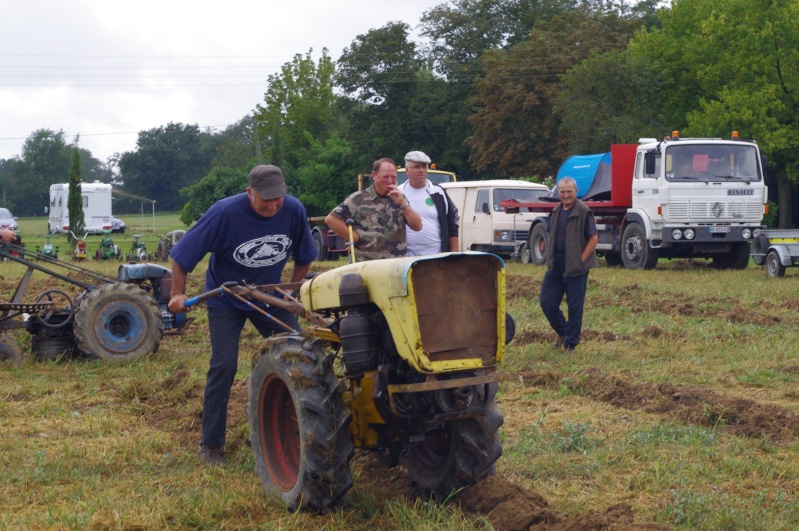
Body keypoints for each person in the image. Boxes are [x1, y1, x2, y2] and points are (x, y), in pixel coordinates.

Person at [167, 164, 317, 465]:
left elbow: (305, 256)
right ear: (250, 193)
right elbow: (182, 257)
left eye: (278, 199)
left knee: (299, 354)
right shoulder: (224, 213)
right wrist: (177, 295)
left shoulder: (293, 210)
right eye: (266, 200)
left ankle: (289, 432)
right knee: (224, 365)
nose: (274, 205)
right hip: (227, 297)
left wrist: (291, 290)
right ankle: (211, 445)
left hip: (269, 295)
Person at [539, 177, 598, 351]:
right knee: (546, 302)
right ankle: (564, 331)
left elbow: (593, 239)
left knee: (574, 306)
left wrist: (580, 260)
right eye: (562, 192)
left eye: (569, 191)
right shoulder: (557, 210)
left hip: (576, 266)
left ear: (576, 191)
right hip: (556, 265)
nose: (565, 195)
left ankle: (570, 344)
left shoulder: (583, 211)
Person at [325, 157, 422, 261]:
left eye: (393, 177)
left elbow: (417, 226)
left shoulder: (400, 199)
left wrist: (403, 204)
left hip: (395, 265)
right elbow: (331, 219)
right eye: (385, 177)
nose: (390, 181)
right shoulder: (358, 199)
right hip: (366, 264)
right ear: (374, 175)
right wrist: (354, 238)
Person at [397, 151, 459, 255]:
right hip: (406, 258)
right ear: (407, 170)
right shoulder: (399, 194)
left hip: (437, 256)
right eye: (416, 167)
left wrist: (454, 253)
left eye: (424, 166)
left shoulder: (438, 192)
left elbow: (452, 224)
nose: (421, 170)